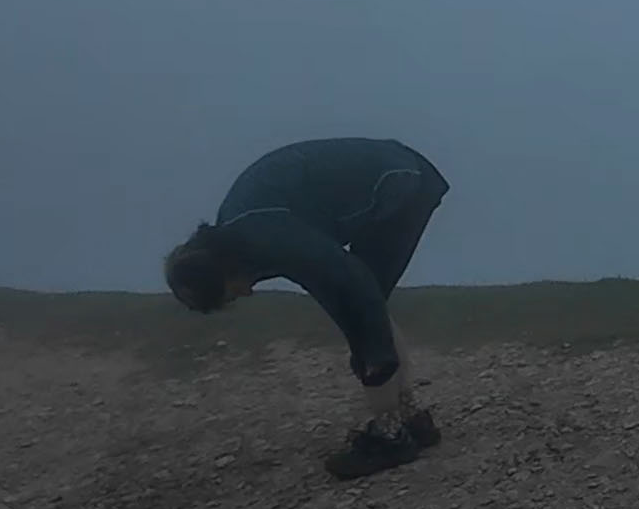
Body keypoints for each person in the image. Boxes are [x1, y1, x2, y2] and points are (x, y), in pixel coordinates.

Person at [164, 137, 451, 479]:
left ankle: (390, 436)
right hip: (400, 173)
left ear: (222, 270)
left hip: (399, 183)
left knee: (365, 309)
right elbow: (321, 282)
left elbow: (351, 279)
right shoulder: (246, 235)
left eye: (229, 295)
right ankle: (409, 419)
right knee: (362, 311)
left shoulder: (263, 234)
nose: (242, 297)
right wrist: (359, 340)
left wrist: (371, 355)